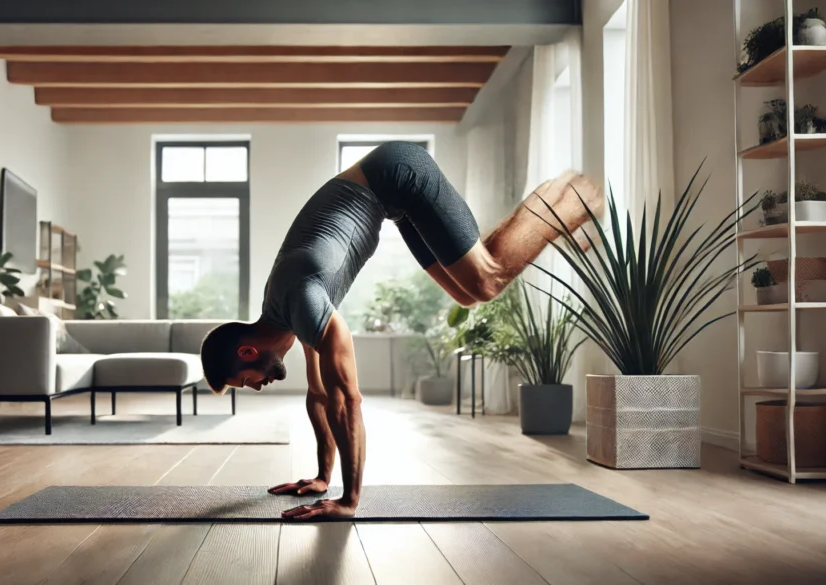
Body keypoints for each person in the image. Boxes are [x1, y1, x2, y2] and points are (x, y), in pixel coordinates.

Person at [199, 141, 602, 520]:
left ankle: (569, 200)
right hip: (389, 194)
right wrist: (323, 478)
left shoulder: (299, 301)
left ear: (247, 353)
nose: (255, 387)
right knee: (468, 295)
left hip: (397, 173)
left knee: (487, 280)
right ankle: (558, 212)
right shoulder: (285, 316)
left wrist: (349, 500)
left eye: (245, 381)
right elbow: (319, 394)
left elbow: (347, 400)